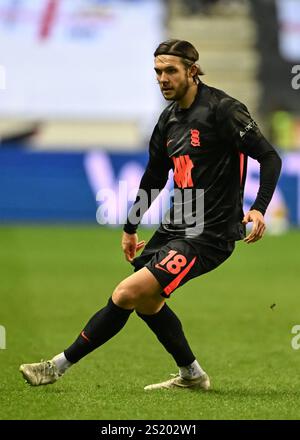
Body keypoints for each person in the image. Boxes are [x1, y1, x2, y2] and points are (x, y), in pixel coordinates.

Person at [19, 39, 282, 390]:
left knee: (127, 292)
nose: (162, 78)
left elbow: (269, 156)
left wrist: (259, 208)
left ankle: (56, 366)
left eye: (170, 70)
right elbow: (155, 177)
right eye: (158, 71)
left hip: (209, 234)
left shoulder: (223, 110)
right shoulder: (168, 120)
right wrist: (130, 227)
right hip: (176, 225)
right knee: (148, 303)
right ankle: (192, 375)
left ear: (192, 71)